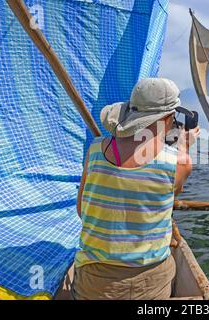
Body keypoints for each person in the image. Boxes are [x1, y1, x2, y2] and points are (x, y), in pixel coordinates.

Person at [72, 78, 200, 300]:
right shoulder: (180, 162)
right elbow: (168, 197)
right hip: (151, 280)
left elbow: (81, 211)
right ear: (168, 118)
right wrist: (184, 147)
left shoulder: (94, 150)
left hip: (94, 279)